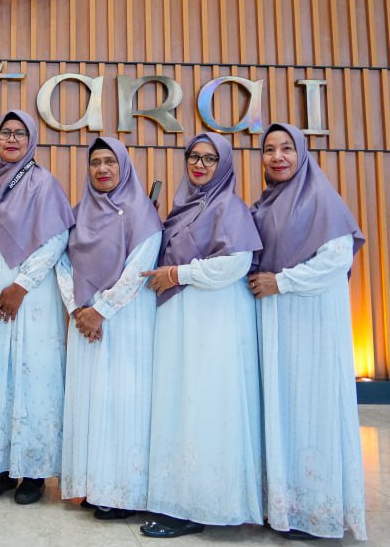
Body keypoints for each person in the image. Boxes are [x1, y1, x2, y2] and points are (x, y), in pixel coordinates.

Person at [139, 133, 264, 538]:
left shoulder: (230, 206)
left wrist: (179, 274)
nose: (199, 164)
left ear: (223, 164)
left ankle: (206, 504)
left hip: (213, 323)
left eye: (210, 159)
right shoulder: (185, 206)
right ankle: (180, 500)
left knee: (206, 407)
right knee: (182, 406)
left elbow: (236, 263)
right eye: (194, 156)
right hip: (181, 321)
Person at [248, 123, 366, 541]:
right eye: (269, 149)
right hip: (276, 323)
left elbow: (335, 260)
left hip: (311, 324)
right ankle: (284, 506)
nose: (277, 157)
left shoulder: (322, 199)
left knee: (312, 412)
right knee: (282, 410)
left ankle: (318, 512)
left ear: (301, 154)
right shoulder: (264, 205)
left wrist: (282, 282)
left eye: (286, 148)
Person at [0, 110, 73, 505]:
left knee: (33, 381)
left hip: (31, 302)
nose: (11, 139)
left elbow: (56, 239)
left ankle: (34, 471)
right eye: (5, 133)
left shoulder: (44, 184)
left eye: (20, 134)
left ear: (32, 141)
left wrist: (21, 286)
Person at [58, 137, 162, 520]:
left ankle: (122, 491)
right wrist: (78, 309)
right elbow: (62, 263)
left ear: (124, 167)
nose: (102, 169)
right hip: (85, 322)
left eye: (110, 162)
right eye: (95, 162)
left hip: (125, 322)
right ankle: (92, 485)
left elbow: (139, 269)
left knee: (121, 403)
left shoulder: (142, 214)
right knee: (89, 401)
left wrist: (100, 311)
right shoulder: (78, 213)